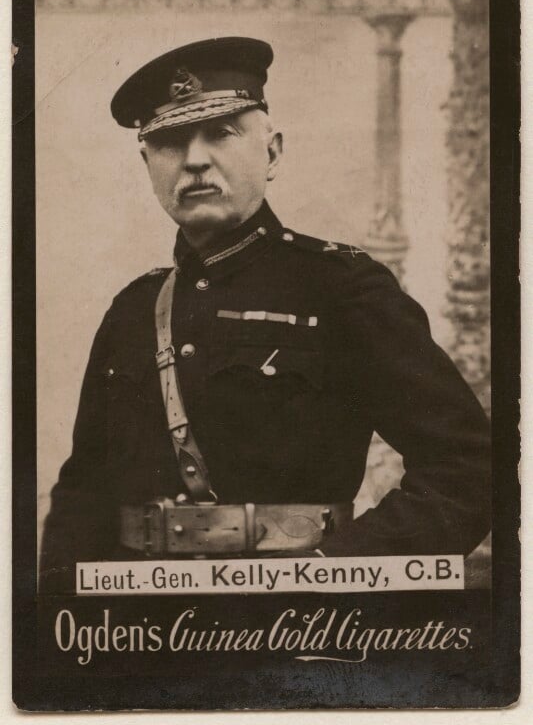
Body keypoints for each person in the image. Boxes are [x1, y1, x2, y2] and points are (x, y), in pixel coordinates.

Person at [39, 37, 490, 593]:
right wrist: (59, 617)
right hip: (142, 625)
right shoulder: (132, 310)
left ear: (272, 153)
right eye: (170, 141)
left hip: (290, 621)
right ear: (147, 163)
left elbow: (469, 470)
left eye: (221, 133)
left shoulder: (339, 288)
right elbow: (84, 493)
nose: (195, 160)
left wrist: (334, 573)